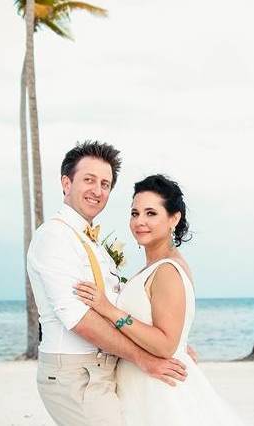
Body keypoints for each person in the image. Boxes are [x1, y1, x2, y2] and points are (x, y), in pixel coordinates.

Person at [27, 142, 187, 426]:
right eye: (89, 180)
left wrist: (175, 342)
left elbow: (118, 306)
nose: (98, 191)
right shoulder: (54, 238)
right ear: (66, 183)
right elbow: (79, 319)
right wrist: (143, 358)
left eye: (106, 183)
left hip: (101, 371)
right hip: (76, 373)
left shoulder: (92, 243)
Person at [74, 174, 245, 426]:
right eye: (135, 213)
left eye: (151, 213)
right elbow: (167, 329)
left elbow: (165, 345)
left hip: (156, 389)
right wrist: (180, 345)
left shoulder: (167, 270)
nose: (140, 222)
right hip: (141, 384)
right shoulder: (157, 266)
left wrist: (109, 310)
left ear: (173, 218)